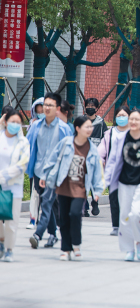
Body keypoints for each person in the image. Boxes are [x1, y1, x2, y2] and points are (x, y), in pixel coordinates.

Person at [43, 115, 104, 261]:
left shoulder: (92, 149)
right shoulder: (66, 143)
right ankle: (65, 249)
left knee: (75, 214)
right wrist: (46, 176)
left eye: (91, 127)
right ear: (77, 128)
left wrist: (97, 190)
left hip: (80, 188)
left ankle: (76, 243)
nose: (90, 129)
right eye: (87, 127)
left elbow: (97, 171)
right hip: (63, 186)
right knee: (63, 218)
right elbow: (52, 159)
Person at [103, 109, 140, 261]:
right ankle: (129, 249)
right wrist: (105, 181)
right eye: (131, 119)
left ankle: (139, 242)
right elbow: (112, 160)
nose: (133, 122)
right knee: (125, 216)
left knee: (137, 213)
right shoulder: (120, 138)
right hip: (123, 183)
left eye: (136, 119)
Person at [28, 93, 73, 249]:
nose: (46, 108)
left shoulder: (64, 129)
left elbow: (69, 153)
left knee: (46, 202)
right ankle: (53, 233)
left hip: (55, 174)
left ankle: (38, 233)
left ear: (58, 108)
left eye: (50, 105)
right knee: (47, 202)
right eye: (45, 105)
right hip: (38, 171)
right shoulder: (35, 126)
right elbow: (28, 147)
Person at [0, 110, 31, 262]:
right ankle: (1, 241)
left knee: (12, 221)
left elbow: (23, 164)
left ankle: (9, 249)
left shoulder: (23, 143)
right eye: (12, 121)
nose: (15, 125)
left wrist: (3, 176)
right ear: (5, 122)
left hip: (14, 187)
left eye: (18, 122)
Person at [98, 106, 131, 236]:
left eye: (124, 115)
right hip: (114, 173)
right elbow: (101, 150)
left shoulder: (134, 132)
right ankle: (116, 226)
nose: (121, 118)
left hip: (130, 173)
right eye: (119, 115)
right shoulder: (110, 133)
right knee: (114, 199)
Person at [82, 98, 107, 218]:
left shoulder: (101, 123)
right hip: (83, 156)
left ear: (97, 108)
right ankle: (84, 207)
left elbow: (105, 140)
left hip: (96, 158)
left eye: (92, 105)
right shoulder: (81, 121)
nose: (90, 107)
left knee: (94, 182)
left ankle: (95, 202)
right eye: (88, 105)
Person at [26, 97, 45, 229]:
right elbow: (28, 144)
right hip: (36, 166)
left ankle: (45, 220)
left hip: (49, 168)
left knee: (47, 197)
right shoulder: (33, 125)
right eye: (38, 111)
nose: (40, 114)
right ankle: (33, 219)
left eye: (42, 110)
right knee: (35, 194)